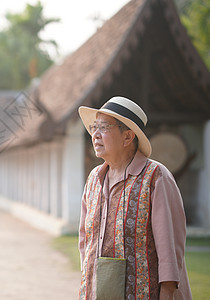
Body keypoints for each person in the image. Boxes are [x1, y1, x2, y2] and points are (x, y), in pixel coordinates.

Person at [77, 96, 192, 299]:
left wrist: (166, 292)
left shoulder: (156, 176)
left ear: (128, 137)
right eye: (94, 127)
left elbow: (170, 249)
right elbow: (85, 241)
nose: (94, 134)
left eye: (103, 127)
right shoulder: (94, 178)